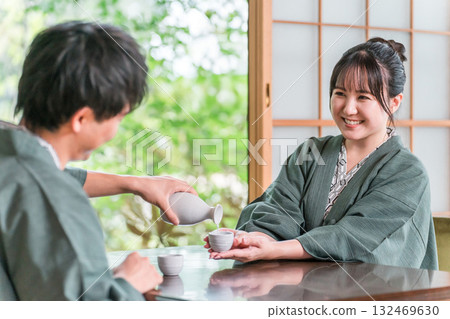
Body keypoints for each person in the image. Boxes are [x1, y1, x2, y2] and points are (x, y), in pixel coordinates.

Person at [205, 38, 438, 270]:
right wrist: (258, 239)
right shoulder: (312, 151)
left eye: (363, 97)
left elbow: (354, 238)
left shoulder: (408, 173)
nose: (348, 108)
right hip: (303, 290)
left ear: (394, 102)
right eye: (340, 93)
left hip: (375, 297)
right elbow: (277, 207)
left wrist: (276, 249)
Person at [0, 21, 193, 301]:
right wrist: (126, 284)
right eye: (120, 116)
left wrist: (137, 183)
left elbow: (41, 174)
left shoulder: (11, 152)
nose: (116, 128)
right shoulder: (56, 199)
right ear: (81, 119)